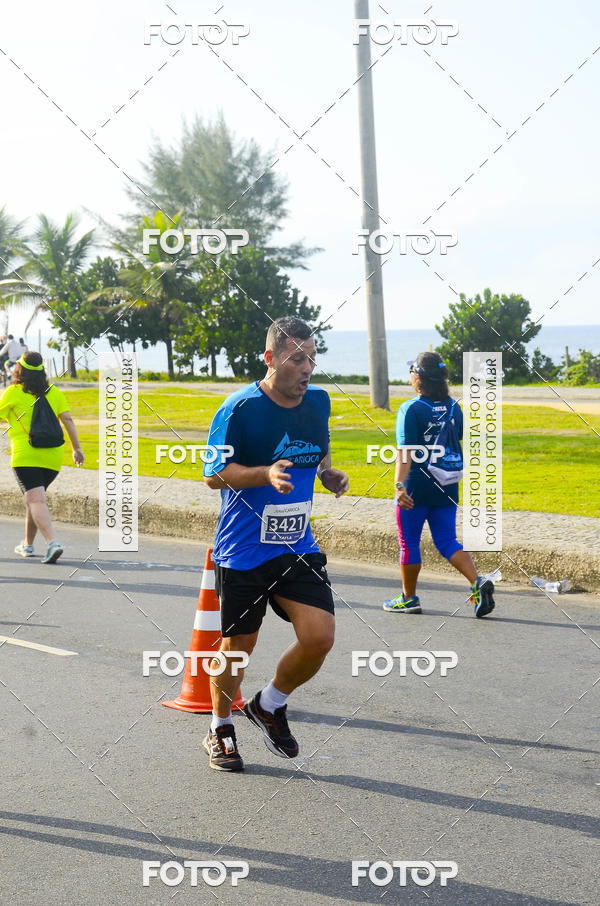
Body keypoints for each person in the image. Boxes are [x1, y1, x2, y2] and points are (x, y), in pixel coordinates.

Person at [202, 316, 349, 771]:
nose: (307, 368)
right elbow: (213, 475)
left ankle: (268, 704)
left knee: (319, 637)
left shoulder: (318, 402)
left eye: (312, 358)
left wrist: (326, 473)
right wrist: (263, 474)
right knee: (238, 648)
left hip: (295, 545)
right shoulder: (239, 409)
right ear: (270, 359)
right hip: (243, 549)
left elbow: (317, 445)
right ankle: (220, 726)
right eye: (296, 358)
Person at [383, 351, 495, 618]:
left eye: (412, 370)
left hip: (416, 486)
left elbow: (406, 452)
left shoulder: (411, 409)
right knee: (446, 540)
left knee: (408, 541)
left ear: (419, 377)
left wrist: (399, 486)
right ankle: (477, 583)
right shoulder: (455, 407)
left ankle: (409, 599)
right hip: (447, 483)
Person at [0, 351, 84, 563]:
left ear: (19, 370)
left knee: (35, 498)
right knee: (34, 498)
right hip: (53, 457)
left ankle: (52, 543)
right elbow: (68, 420)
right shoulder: (54, 392)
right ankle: (27, 545)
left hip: (26, 455)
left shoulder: (13, 392)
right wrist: (77, 448)